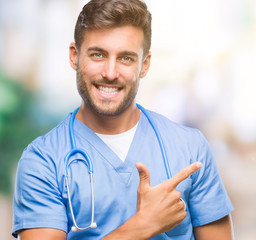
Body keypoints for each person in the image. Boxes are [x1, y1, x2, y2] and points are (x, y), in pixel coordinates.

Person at [11, 0, 234, 239]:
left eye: (126, 58)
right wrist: (142, 226)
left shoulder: (190, 149)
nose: (110, 73)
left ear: (144, 65)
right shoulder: (43, 161)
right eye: (98, 55)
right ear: (74, 56)